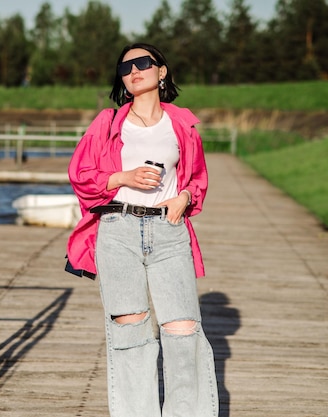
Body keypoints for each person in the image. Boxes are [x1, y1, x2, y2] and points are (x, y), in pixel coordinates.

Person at [66, 42, 219, 417]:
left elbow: (196, 178)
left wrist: (183, 196)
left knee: (183, 331)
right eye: (125, 68)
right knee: (130, 332)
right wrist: (123, 176)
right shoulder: (108, 122)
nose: (133, 71)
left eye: (143, 63)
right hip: (118, 229)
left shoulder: (181, 123)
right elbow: (80, 174)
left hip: (169, 231)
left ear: (161, 71)